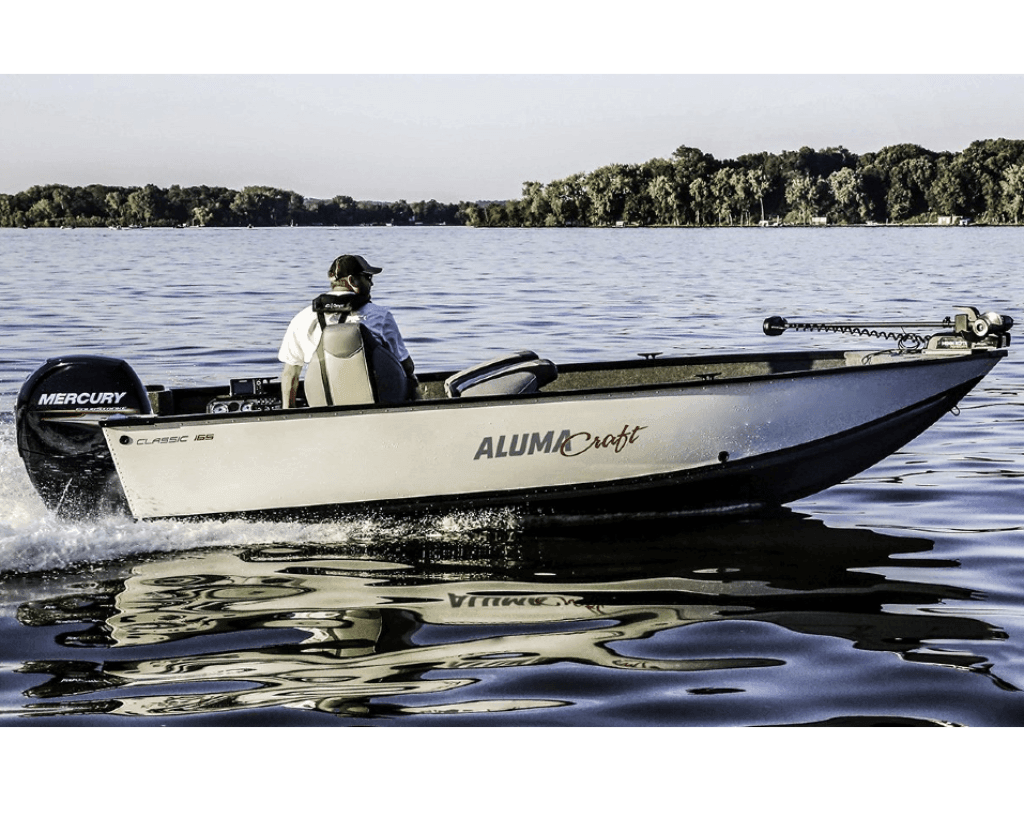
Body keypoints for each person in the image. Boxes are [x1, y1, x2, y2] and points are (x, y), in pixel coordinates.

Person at [278, 254, 415, 408]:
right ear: (351, 281)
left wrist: (287, 413)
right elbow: (406, 366)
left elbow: (290, 375)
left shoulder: (301, 319)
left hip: (322, 405)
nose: (372, 283)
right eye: (368, 277)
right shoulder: (380, 315)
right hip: (377, 403)